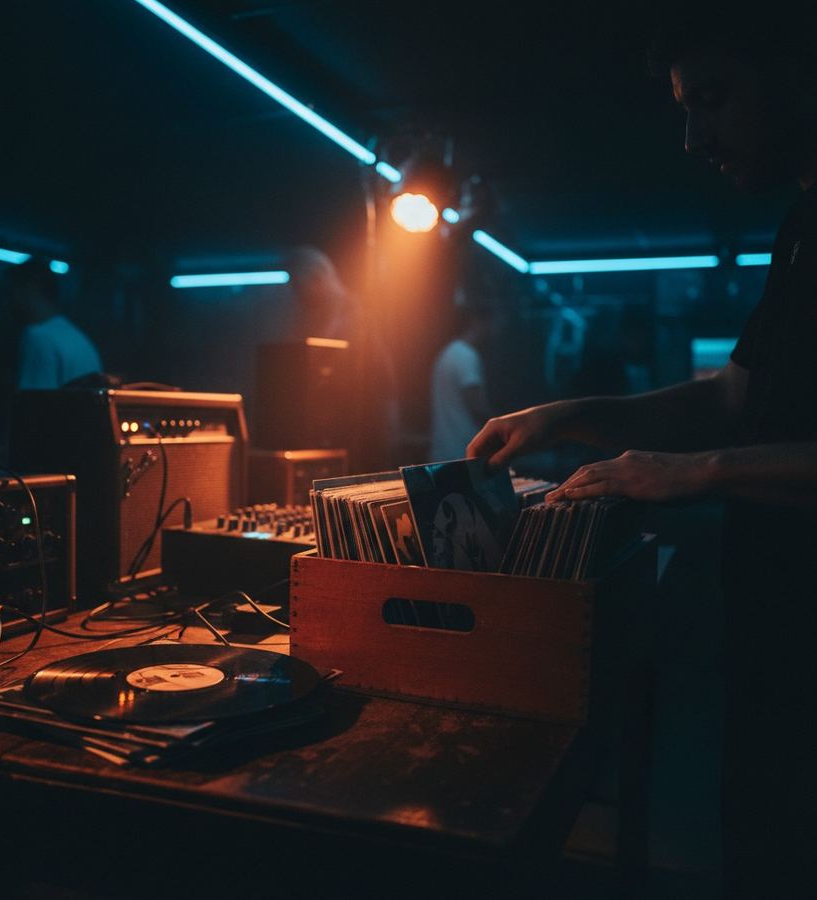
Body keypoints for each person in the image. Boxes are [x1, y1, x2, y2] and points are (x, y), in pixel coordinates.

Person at [467, 11, 817, 898]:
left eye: (716, 99)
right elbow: (727, 397)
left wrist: (691, 474)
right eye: (683, 109)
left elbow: (717, 438)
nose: (695, 138)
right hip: (774, 639)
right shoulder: (801, 227)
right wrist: (569, 415)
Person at [286, 247, 399, 469]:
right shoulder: (328, 319)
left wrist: (387, 441)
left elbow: (384, 386)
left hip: (363, 446)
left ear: (318, 277)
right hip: (337, 443)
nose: (297, 296)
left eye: (298, 287)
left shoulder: (358, 320)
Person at [8, 258, 102, 389]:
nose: (9, 301)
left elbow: (33, 402)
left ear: (29, 288)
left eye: (11, 291)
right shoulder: (80, 339)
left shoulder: (38, 337)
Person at [430, 298, 494, 461]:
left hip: (445, 452)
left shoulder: (448, 352)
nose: (493, 328)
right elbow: (476, 405)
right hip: (463, 453)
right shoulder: (466, 356)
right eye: (491, 322)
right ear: (477, 321)